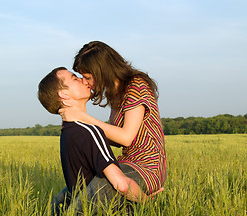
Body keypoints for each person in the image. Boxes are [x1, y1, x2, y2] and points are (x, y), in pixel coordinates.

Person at [37, 67, 163, 216]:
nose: (83, 80)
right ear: (64, 95)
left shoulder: (68, 132)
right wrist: (148, 201)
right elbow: (121, 184)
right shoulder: (91, 131)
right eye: (75, 78)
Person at [60, 41, 167, 195]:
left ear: (102, 72)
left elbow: (125, 138)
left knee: (88, 197)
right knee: (64, 198)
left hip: (147, 167)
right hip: (126, 162)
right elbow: (116, 139)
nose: (85, 82)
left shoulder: (136, 86)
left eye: (88, 77)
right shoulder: (116, 94)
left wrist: (82, 117)